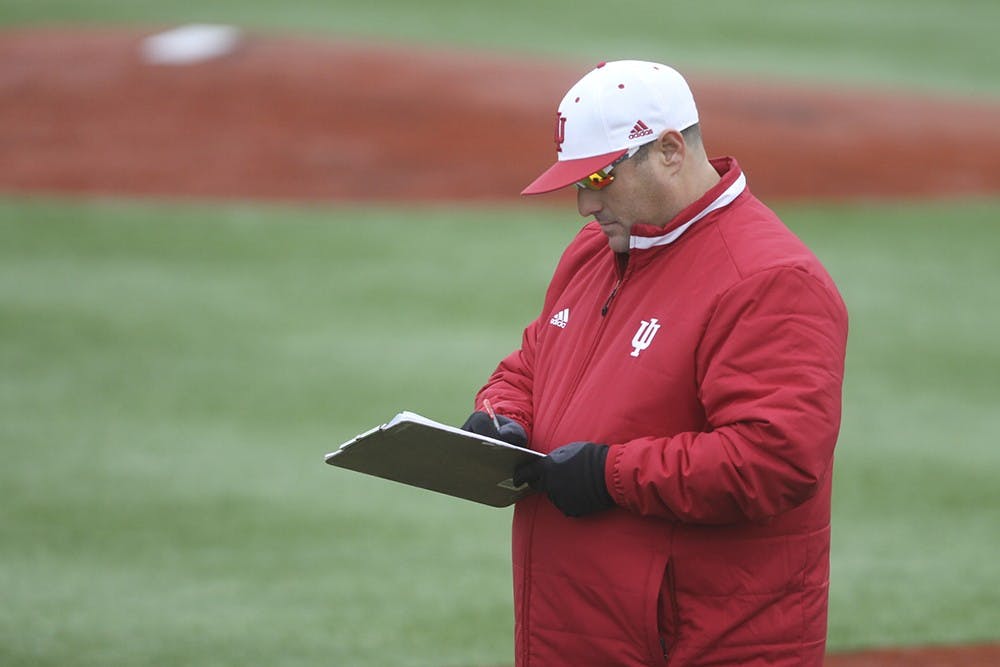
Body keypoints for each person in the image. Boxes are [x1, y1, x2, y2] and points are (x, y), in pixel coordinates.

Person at [461, 60, 849, 666]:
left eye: (599, 177)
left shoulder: (770, 280)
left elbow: (773, 459)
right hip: (586, 631)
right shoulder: (599, 249)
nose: (585, 205)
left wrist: (609, 472)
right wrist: (501, 419)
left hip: (697, 642)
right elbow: (534, 362)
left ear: (669, 150)